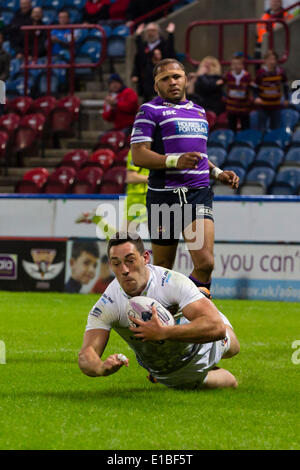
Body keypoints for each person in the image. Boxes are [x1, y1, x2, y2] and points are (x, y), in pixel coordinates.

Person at [130, 58, 239, 299]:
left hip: (197, 194)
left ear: (186, 79)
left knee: (206, 263)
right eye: (165, 79)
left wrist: (218, 172)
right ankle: (164, 319)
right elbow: (138, 155)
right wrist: (174, 161)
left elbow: (199, 156)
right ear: (156, 86)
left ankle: (190, 312)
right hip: (163, 195)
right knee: (163, 270)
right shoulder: (149, 111)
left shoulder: (199, 111)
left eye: (176, 76)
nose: (172, 82)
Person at [78, 232, 240, 389]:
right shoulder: (108, 303)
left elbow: (216, 328)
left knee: (233, 346)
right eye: (116, 263)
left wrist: (164, 332)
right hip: (172, 372)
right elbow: (87, 354)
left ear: (145, 257)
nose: (124, 269)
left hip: (202, 343)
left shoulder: (171, 282)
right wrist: (100, 368)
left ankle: (197, 301)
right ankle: (197, 301)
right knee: (231, 383)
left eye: (130, 260)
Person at [131, 22, 176, 99]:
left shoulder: (164, 44)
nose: (150, 33)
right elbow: (138, 61)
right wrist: (134, 74)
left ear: (157, 31)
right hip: (147, 80)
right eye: (148, 31)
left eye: (153, 30)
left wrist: (171, 34)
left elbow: (170, 53)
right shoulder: (144, 45)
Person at [254, 49, 289, 131]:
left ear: (276, 61)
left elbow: (285, 86)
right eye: (269, 59)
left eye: (273, 59)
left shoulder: (280, 72)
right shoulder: (260, 73)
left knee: (275, 128)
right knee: (262, 128)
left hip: (276, 105)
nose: (271, 62)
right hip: (263, 105)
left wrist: (286, 99)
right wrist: (256, 97)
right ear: (265, 61)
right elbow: (255, 87)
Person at [222, 55, 252, 132]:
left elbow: (251, 88)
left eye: (238, 64)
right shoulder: (228, 75)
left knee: (245, 127)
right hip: (231, 107)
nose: (236, 66)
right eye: (234, 64)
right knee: (231, 127)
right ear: (231, 66)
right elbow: (222, 83)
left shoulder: (247, 76)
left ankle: (244, 142)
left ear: (243, 65)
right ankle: (232, 141)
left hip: (244, 107)